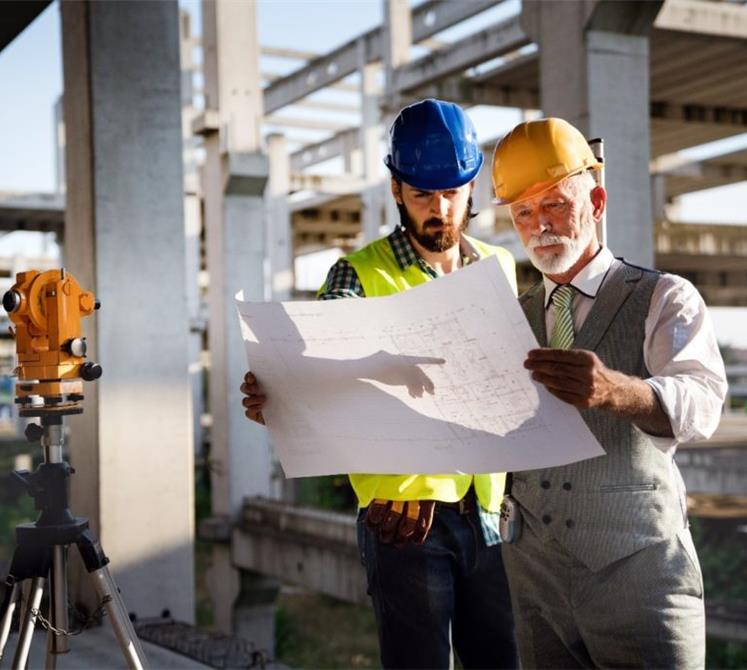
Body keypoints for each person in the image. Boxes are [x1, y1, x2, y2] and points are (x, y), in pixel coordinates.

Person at [242, 98, 518, 669]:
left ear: (473, 187)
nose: (440, 210)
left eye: (452, 193)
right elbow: (318, 360)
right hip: (405, 517)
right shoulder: (358, 273)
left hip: (491, 514)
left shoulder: (500, 266)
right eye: (422, 195)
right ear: (396, 189)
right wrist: (285, 390)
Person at [491, 117, 728, 669]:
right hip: (535, 583)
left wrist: (617, 391)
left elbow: (703, 400)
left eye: (554, 204)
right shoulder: (507, 316)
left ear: (596, 201)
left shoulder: (665, 297)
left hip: (640, 578)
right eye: (523, 213)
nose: (539, 226)